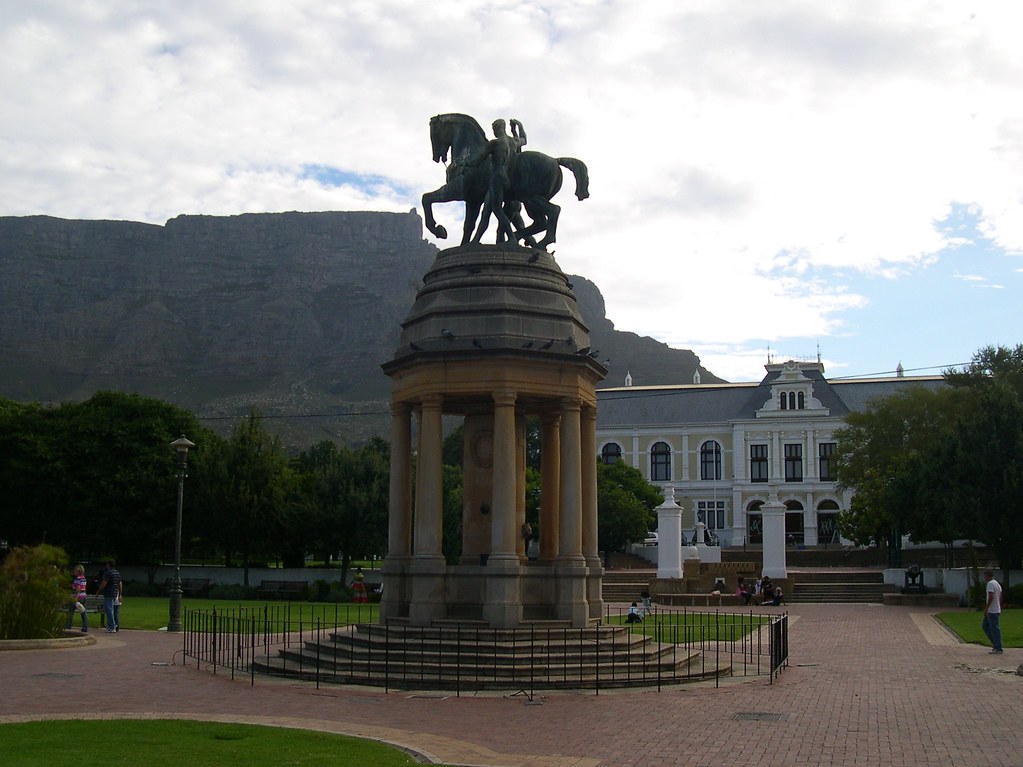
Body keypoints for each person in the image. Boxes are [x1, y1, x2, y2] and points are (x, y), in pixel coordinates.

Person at [471, 118, 527, 243]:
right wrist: (519, 126)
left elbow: (479, 159)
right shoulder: (513, 141)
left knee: (495, 210)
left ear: (497, 128)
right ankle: (475, 240)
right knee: (486, 211)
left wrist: (466, 163)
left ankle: (512, 237)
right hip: (507, 179)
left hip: (497, 178)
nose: (494, 132)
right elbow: (525, 139)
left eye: (494, 129)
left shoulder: (495, 143)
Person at [96, 560, 122, 633]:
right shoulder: (117, 573)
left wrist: (98, 591)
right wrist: (120, 594)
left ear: (108, 565)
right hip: (114, 593)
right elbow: (120, 584)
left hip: (108, 593)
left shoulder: (107, 573)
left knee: (109, 610)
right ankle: (112, 625)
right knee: (112, 610)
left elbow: (104, 583)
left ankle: (111, 626)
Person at [982, 569, 1003, 654]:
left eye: (985, 576)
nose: (984, 578)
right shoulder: (997, 584)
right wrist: (1000, 606)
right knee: (985, 626)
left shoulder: (990, 584)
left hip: (992, 610)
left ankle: (998, 647)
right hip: (996, 609)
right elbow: (1000, 596)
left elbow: (991, 596)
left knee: (994, 628)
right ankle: (995, 644)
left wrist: (986, 608)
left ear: (988, 576)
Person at [65, 564, 89, 632]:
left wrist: (75, 597)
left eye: (75, 571)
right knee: (83, 612)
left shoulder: (78, 579)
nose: (74, 572)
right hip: (83, 596)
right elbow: (84, 588)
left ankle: (68, 625)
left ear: (78, 571)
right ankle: (85, 626)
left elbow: (78, 588)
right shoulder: (84, 578)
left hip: (78, 597)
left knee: (71, 611)